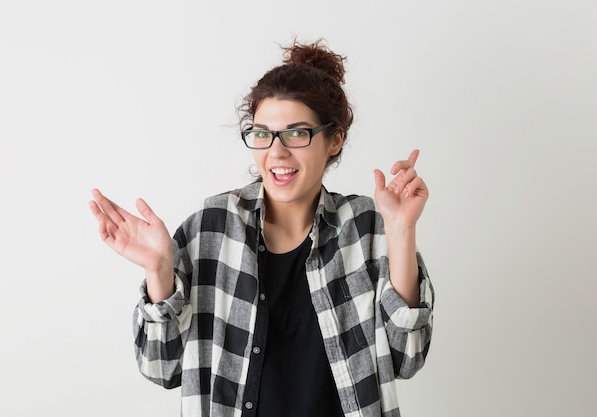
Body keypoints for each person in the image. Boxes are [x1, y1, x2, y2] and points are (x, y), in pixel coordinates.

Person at [89, 39, 434, 417]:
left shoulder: (367, 228)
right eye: (262, 133)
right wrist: (158, 271)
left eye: (297, 133)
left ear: (334, 140)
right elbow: (161, 368)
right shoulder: (210, 230)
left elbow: (408, 358)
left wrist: (401, 230)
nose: (276, 152)